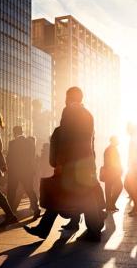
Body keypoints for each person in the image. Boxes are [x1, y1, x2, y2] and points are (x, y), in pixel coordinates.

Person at [24, 87, 103, 241]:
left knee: (60, 194)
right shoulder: (88, 115)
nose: (65, 100)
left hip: (71, 162)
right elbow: (90, 142)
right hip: (85, 162)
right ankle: (93, 231)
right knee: (83, 196)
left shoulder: (69, 111)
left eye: (66, 97)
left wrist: (60, 163)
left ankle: (45, 228)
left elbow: (65, 140)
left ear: (69, 97)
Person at [6, 126, 40, 219]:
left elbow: (9, 157)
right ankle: (36, 208)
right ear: (22, 131)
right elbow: (32, 157)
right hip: (26, 170)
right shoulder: (29, 142)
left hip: (15, 171)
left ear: (14, 133)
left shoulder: (12, 143)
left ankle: (10, 211)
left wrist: (8, 167)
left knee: (12, 191)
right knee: (29, 190)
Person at [102, 136, 123, 213]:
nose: (118, 142)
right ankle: (110, 205)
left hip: (111, 172)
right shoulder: (111, 149)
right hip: (112, 172)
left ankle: (110, 205)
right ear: (113, 141)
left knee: (109, 189)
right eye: (117, 140)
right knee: (116, 187)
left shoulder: (111, 148)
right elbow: (113, 162)